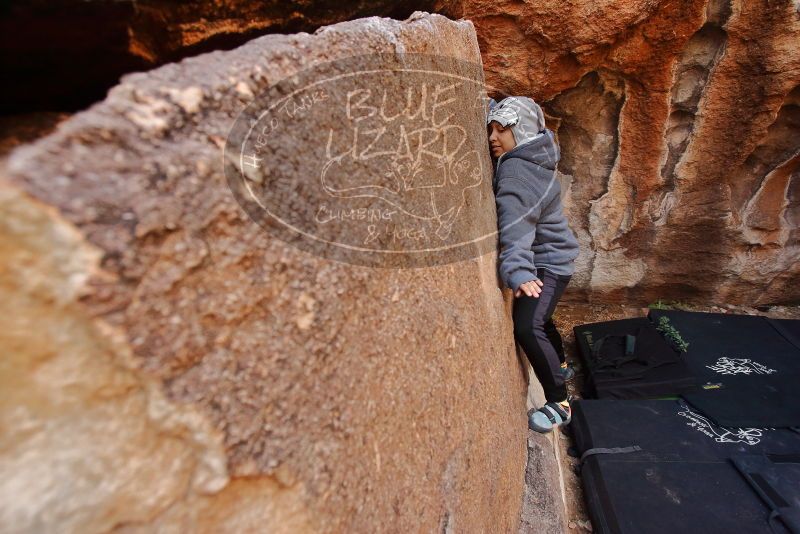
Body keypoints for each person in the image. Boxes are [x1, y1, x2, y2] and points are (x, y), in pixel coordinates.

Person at [487, 96, 580, 434]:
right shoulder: (534, 152)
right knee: (543, 314)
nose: (493, 137)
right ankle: (562, 363)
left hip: (546, 263)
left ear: (521, 132)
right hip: (552, 255)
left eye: (503, 130)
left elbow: (517, 227)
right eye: (491, 129)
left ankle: (560, 401)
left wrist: (519, 271)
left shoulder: (518, 174)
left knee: (528, 324)